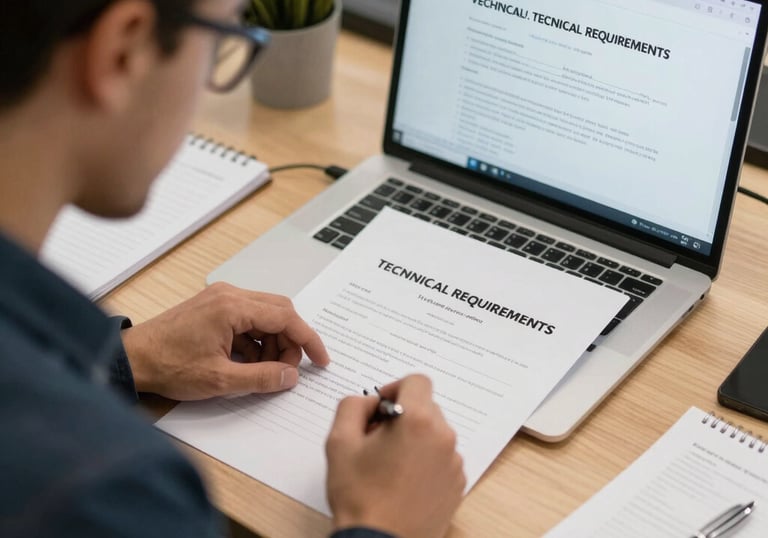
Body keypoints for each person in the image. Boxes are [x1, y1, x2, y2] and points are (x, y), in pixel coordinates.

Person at [0, 1, 466, 537]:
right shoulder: (111, 491)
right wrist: (381, 522)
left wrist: (128, 358)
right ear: (122, 51)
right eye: (220, 38)